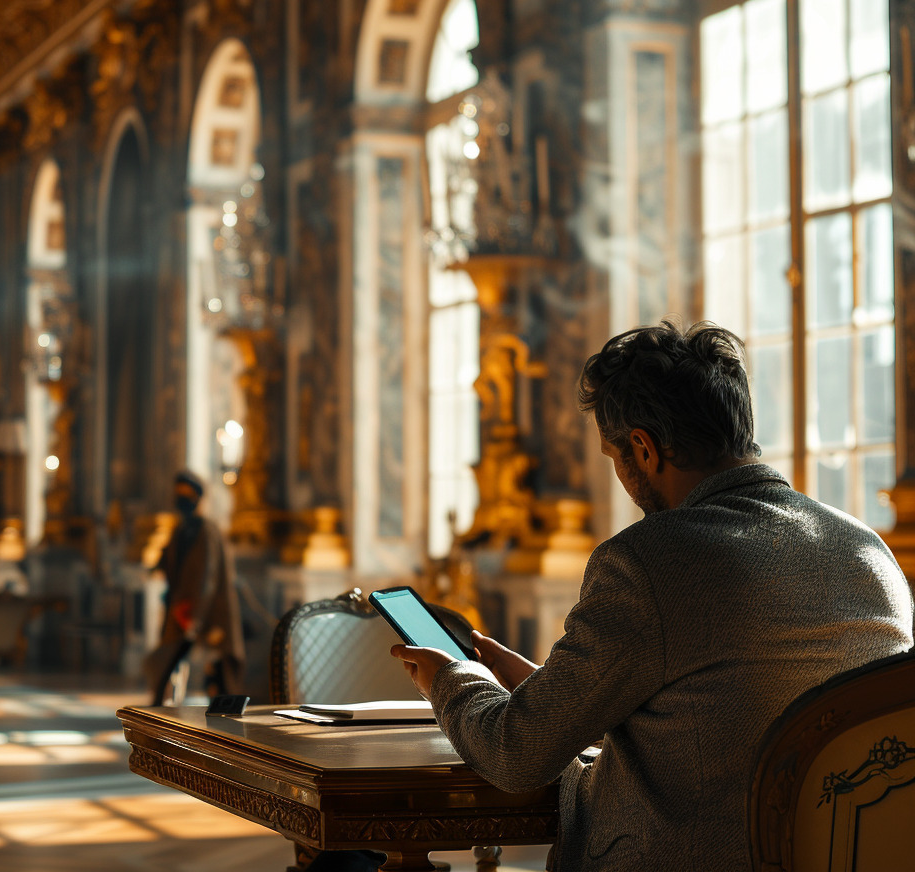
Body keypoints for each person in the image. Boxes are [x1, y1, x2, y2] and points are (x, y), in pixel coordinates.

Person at [391, 320, 914, 871]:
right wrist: (545, 689)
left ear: (643, 448)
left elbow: (517, 756)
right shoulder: (870, 552)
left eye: (613, 458)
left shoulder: (648, 562)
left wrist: (452, 678)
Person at [147, 470, 245, 706]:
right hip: (181, 608)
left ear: (198, 498)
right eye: (178, 494)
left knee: (219, 674)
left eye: (187, 494)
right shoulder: (181, 529)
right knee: (166, 663)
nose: (181, 500)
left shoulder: (207, 530)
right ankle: (159, 713)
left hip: (206, 612)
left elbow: (207, 579)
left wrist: (197, 618)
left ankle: (226, 726)